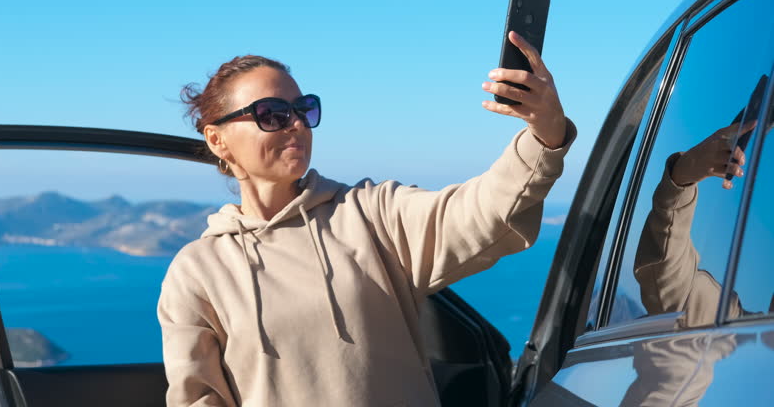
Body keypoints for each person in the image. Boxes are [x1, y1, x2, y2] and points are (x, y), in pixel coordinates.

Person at [157, 31, 576, 406]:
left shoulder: (370, 214)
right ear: (218, 140)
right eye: (272, 114)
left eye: (303, 109)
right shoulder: (198, 271)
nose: (297, 125)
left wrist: (544, 135)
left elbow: (482, 210)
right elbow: (199, 400)